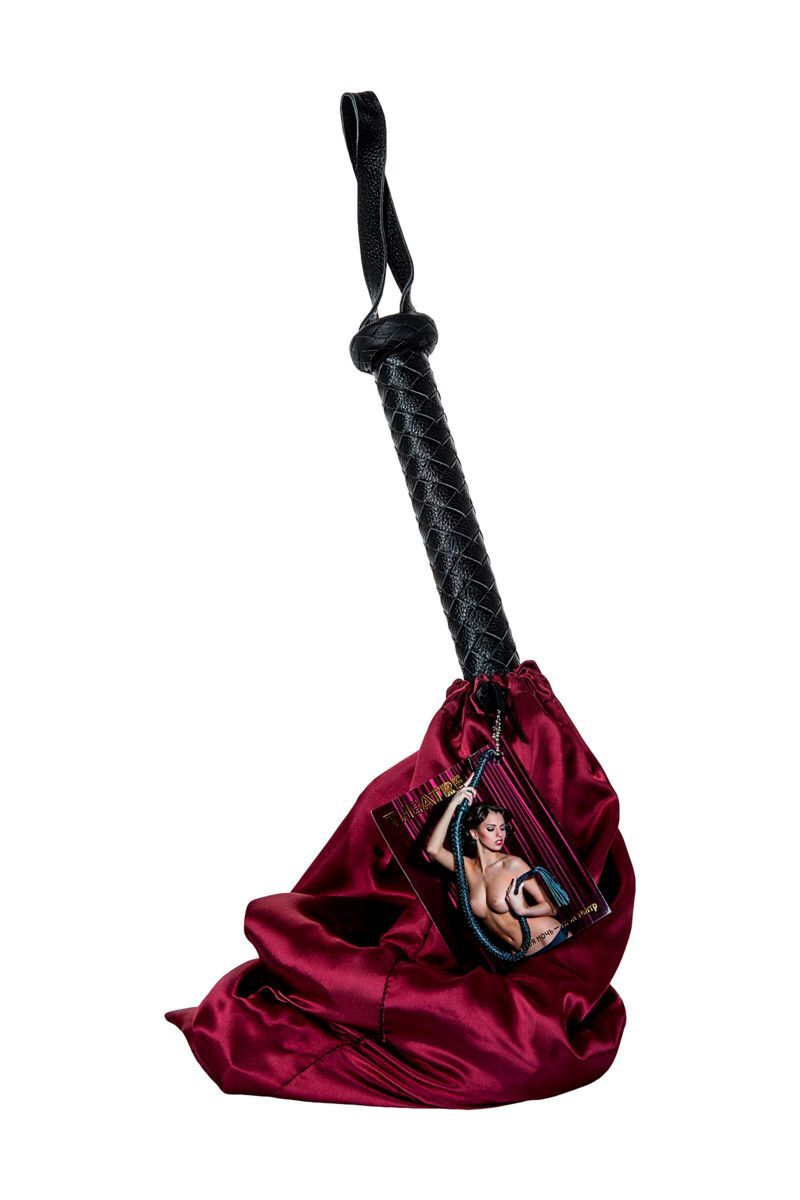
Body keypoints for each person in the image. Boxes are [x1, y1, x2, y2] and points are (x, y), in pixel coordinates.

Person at [425, 772, 571, 957]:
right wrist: (454, 803)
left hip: (552, 940)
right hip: (519, 956)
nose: (499, 835)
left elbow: (551, 907)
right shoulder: (466, 868)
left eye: (502, 828)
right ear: (474, 833)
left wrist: (523, 909)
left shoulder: (512, 864)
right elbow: (433, 849)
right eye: (491, 829)